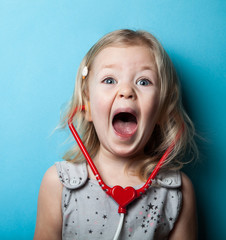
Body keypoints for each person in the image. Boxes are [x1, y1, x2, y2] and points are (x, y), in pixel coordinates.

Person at [34, 29, 198, 240]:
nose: (126, 91)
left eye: (144, 81)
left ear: (161, 110)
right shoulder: (59, 184)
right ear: (88, 105)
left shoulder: (177, 191)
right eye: (110, 80)